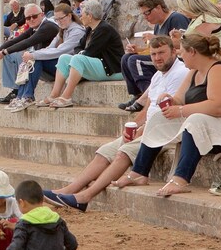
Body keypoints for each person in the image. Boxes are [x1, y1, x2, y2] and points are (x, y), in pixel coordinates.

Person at [42, 36, 188, 211]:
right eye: (154, 54)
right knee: (104, 152)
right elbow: (147, 110)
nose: (157, 58)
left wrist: (141, 130)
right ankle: (68, 190)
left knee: (123, 153)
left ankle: (84, 197)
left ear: (174, 51)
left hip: (165, 131)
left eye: (161, 53)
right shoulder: (157, 75)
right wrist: (132, 128)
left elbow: (167, 113)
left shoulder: (180, 73)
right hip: (148, 128)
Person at [112, 33, 221, 197]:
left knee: (195, 119)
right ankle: (139, 173)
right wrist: (170, 100)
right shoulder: (193, 72)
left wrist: (181, 110)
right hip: (214, 130)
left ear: (192, 52)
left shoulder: (219, 69)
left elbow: (219, 107)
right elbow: (179, 99)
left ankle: (180, 179)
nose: (180, 55)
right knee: (158, 118)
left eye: (181, 51)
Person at [40, 0, 124, 108]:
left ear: (90, 16)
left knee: (77, 59)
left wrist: (80, 53)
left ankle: (66, 97)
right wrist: (80, 53)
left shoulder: (104, 29)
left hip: (112, 69)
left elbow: (90, 52)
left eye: (82, 14)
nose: (80, 17)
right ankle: (54, 94)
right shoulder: (90, 29)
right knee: (64, 58)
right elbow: (78, 47)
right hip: (100, 65)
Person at [6, 3, 86, 112]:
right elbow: (50, 48)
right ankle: (21, 96)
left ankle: (27, 96)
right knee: (30, 61)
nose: (58, 22)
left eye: (61, 19)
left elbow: (60, 52)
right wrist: (32, 55)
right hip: (60, 65)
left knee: (36, 59)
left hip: (70, 68)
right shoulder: (62, 29)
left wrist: (34, 55)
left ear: (69, 16)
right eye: (56, 19)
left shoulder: (77, 31)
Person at [118, 0, 191, 111]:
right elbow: (156, 49)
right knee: (126, 57)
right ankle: (137, 95)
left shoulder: (176, 18)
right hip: (163, 56)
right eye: (143, 14)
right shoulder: (158, 25)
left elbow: (186, 42)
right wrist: (138, 50)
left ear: (158, 7)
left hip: (176, 60)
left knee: (135, 61)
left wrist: (155, 37)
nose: (146, 17)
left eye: (147, 13)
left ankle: (149, 98)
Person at [0, 4, 59, 106]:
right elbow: (17, 40)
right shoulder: (35, 27)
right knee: (13, 55)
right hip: (44, 64)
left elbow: (28, 42)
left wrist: (4, 52)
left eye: (34, 16)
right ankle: (17, 91)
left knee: (30, 57)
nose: (31, 19)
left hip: (56, 68)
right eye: (28, 18)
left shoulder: (48, 26)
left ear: (42, 15)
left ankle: (27, 96)